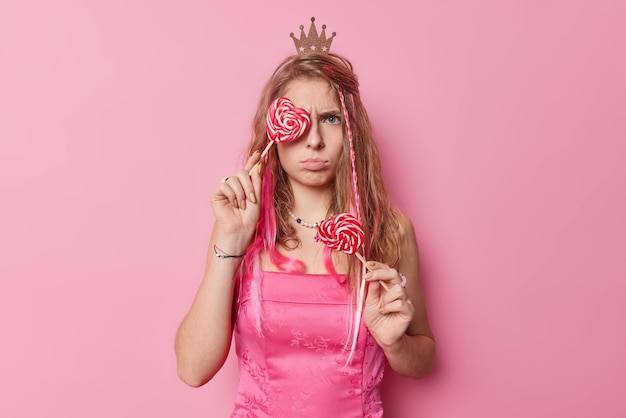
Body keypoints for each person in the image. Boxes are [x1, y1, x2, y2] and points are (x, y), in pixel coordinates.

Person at [175, 18, 435, 417]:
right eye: (299, 120)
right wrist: (229, 241)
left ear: (352, 131)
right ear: (275, 132)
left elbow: (422, 359)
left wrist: (395, 343)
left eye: (330, 119)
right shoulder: (240, 229)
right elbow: (193, 369)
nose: (313, 139)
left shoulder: (390, 230)